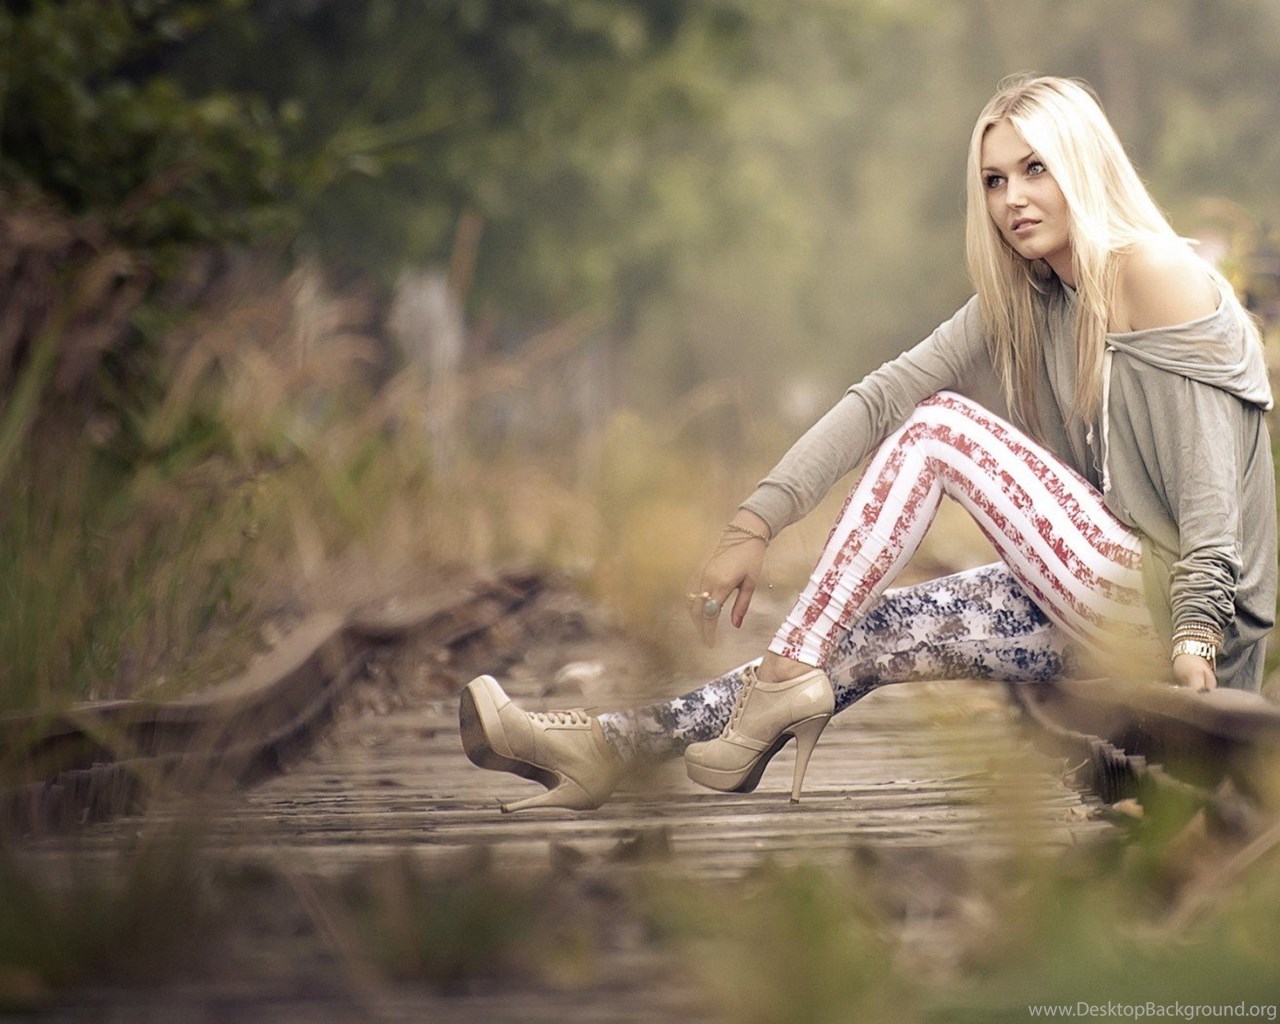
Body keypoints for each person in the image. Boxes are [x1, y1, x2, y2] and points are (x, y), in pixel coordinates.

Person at [458, 74, 1276, 813]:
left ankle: (785, 672)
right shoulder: (1030, 298)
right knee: (867, 629)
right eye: (994, 180)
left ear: (1085, 168)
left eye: (1036, 169)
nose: (1012, 199)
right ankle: (610, 747)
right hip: (1114, 604)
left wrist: (1196, 646)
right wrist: (755, 522)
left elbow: (1213, 514)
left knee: (942, 428)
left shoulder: (1155, 275)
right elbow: (883, 396)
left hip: (1175, 615)